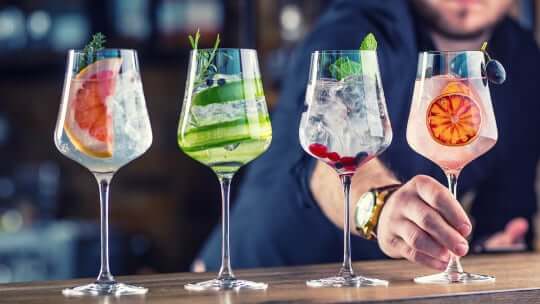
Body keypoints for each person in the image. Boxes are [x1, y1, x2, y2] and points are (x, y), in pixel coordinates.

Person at [195, 0, 540, 271]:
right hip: (263, 272)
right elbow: (323, 153)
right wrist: (380, 205)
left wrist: (485, 246)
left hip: (379, 285)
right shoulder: (355, 28)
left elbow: (506, 204)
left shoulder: (522, 57)